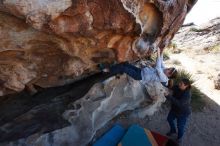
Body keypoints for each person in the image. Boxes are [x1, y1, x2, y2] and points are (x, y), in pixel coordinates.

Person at [100, 48, 177, 87]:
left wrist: (159, 53)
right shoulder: (164, 70)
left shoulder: (163, 78)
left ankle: (107, 70)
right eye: (169, 68)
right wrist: (162, 51)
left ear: (169, 75)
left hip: (140, 76)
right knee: (125, 64)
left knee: (123, 68)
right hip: (141, 71)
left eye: (169, 70)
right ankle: (116, 71)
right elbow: (161, 63)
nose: (167, 69)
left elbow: (158, 68)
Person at [165, 78, 192, 144]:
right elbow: (169, 87)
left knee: (180, 127)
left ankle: (179, 138)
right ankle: (173, 131)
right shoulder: (177, 87)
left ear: (186, 86)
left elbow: (180, 104)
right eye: (179, 82)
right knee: (169, 119)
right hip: (174, 109)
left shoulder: (187, 94)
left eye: (181, 84)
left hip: (183, 113)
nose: (179, 84)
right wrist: (168, 81)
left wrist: (169, 96)